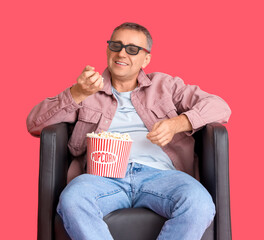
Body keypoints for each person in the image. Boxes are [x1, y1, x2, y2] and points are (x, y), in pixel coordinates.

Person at [27, 22, 231, 240]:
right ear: (108, 50)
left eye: (132, 49)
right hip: (102, 178)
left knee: (198, 203)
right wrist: (77, 93)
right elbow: (34, 123)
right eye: (116, 45)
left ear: (146, 59)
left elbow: (220, 107)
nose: (121, 53)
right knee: (73, 200)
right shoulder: (87, 89)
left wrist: (177, 124)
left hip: (162, 175)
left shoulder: (165, 85)